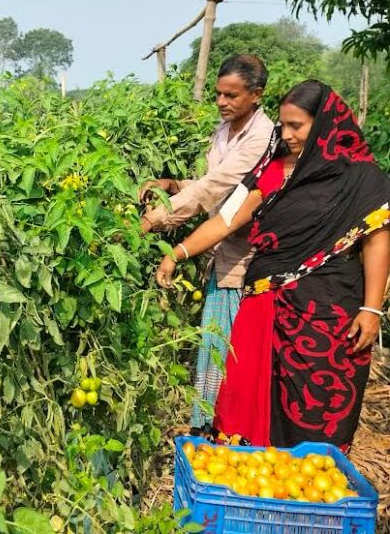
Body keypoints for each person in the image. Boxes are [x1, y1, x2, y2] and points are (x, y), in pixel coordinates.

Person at [155, 80, 390, 450]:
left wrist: (371, 307)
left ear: (325, 125)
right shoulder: (272, 168)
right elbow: (228, 219)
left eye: (297, 125)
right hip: (264, 303)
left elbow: (376, 240)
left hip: (328, 312)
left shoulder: (360, 178)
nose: (287, 134)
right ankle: (248, 492)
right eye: (283, 125)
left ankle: (307, 490)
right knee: (245, 399)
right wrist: (178, 252)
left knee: (315, 404)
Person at [139, 54, 274, 433]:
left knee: (233, 352)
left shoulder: (263, 138)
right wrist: (172, 186)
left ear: (256, 94)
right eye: (218, 94)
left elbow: (216, 188)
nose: (221, 102)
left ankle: (227, 431)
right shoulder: (223, 130)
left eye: (230, 95)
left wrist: (153, 220)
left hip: (246, 258)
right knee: (214, 346)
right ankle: (210, 427)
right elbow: (209, 183)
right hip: (218, 251)